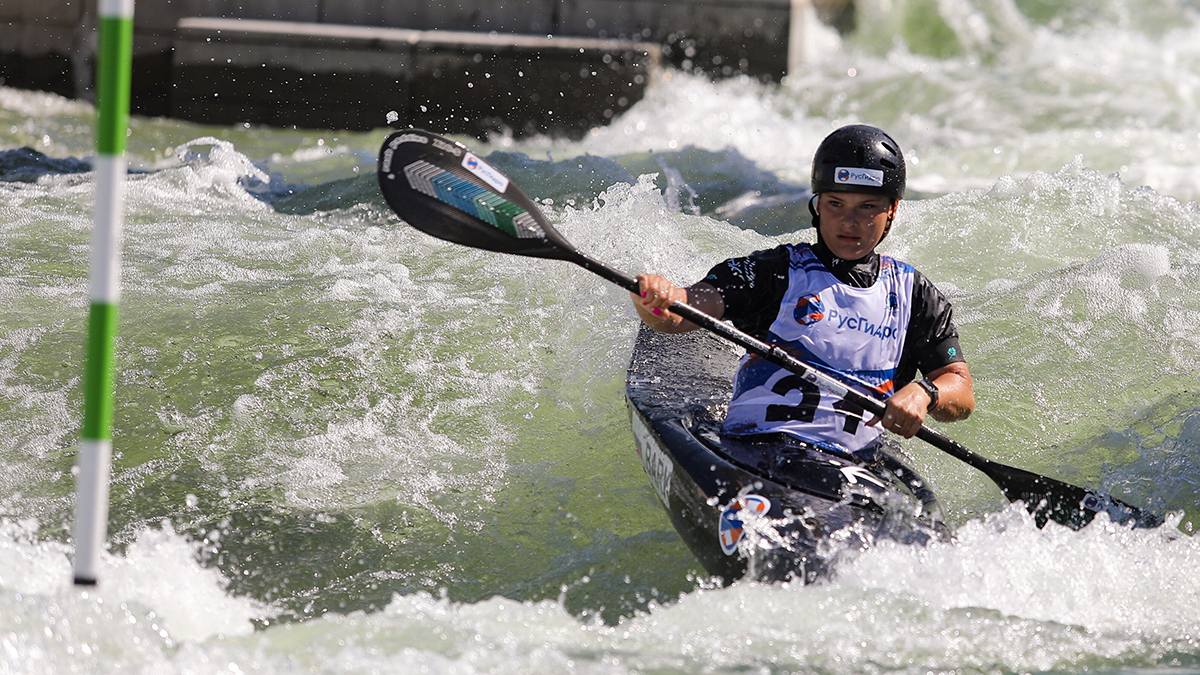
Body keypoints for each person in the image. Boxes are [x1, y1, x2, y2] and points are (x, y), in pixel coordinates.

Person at [632, 124, 974, 459]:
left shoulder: (914, 296)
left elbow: (960, 389)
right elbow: (679, 314)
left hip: (852, 465)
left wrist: (925, 392)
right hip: (754, 449)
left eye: (867, 207)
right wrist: (656, 297)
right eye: (835, 204)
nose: (848, 222)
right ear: (817, 205)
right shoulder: (775, 272)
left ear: (892, 211)